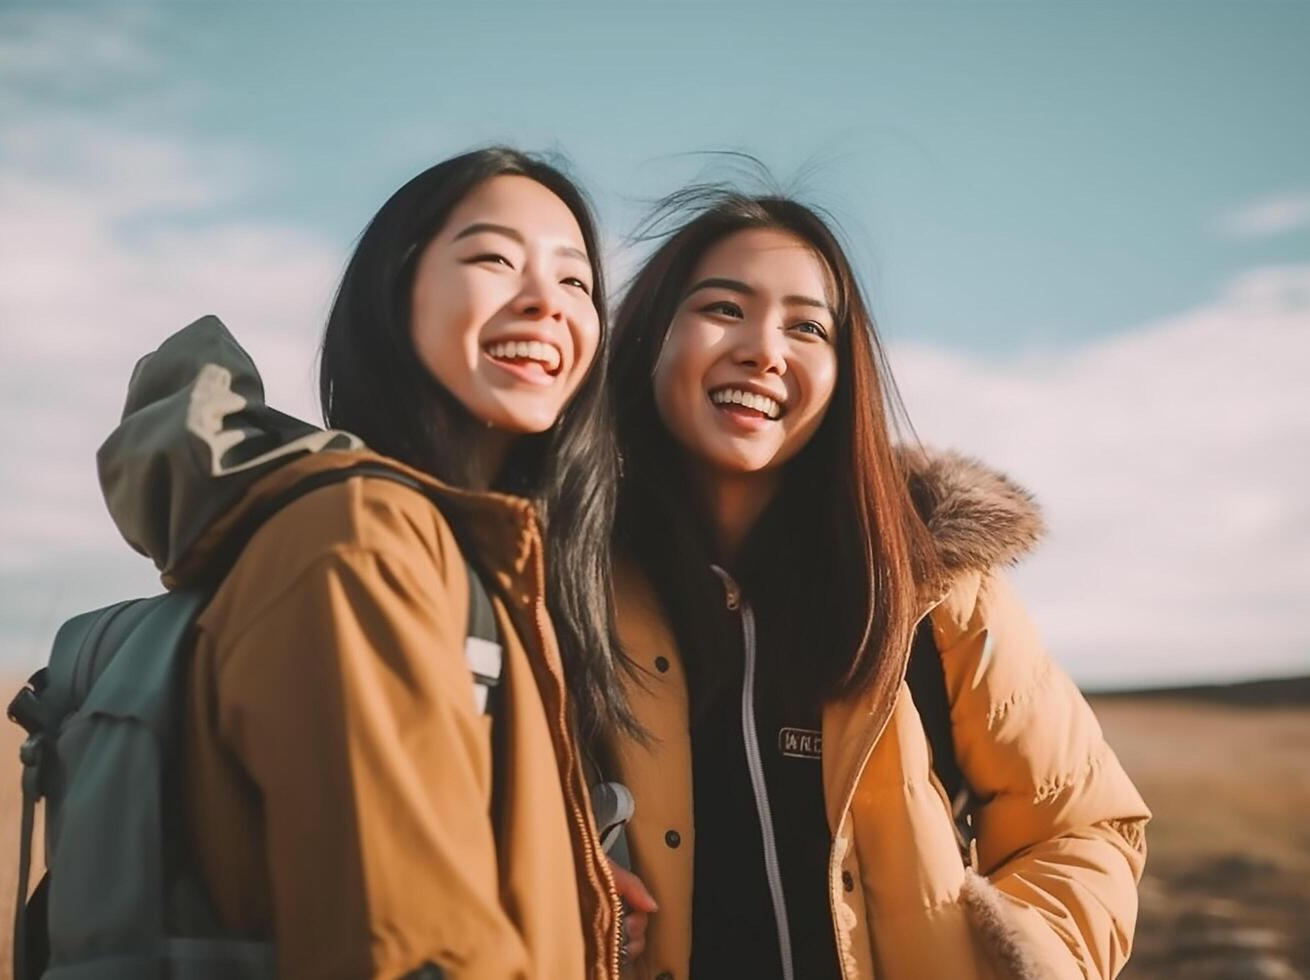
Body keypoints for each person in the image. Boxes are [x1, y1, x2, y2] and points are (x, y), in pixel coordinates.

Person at [105, 147, 641, 979]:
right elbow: (405, 949)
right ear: (397, 295)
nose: (545, 302)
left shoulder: (484, 559)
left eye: (576, 282)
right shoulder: (363, 538)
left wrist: (563, 891)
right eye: (495, 258)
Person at [605, 190, 1151, 980]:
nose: (765, 350)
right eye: (724, 308)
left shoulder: (937, 587)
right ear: (649, 335)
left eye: (807, 327)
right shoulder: (563, 583)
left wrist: (1021, 960)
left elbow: (1083, 825)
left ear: (842, 376)